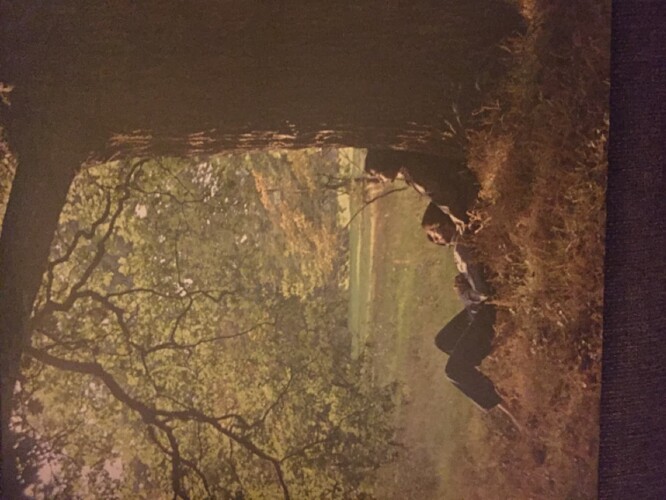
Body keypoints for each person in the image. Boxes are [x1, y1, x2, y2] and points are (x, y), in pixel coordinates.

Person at [435, 275, 521, 429]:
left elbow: (484, 294)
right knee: (443, 341)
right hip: (474, 310)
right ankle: (482, 355)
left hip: (484, 312)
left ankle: (507, 407)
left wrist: (468, 295)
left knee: (454, 371)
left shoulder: (469, 263)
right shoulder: (464, 263)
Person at [364, 149, 479, 226]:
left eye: (379, 174)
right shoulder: (408, 171)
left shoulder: (414, 171)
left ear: (385, 164)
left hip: (467, 187)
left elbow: (442, 193)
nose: (381, 180)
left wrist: (456, 216)